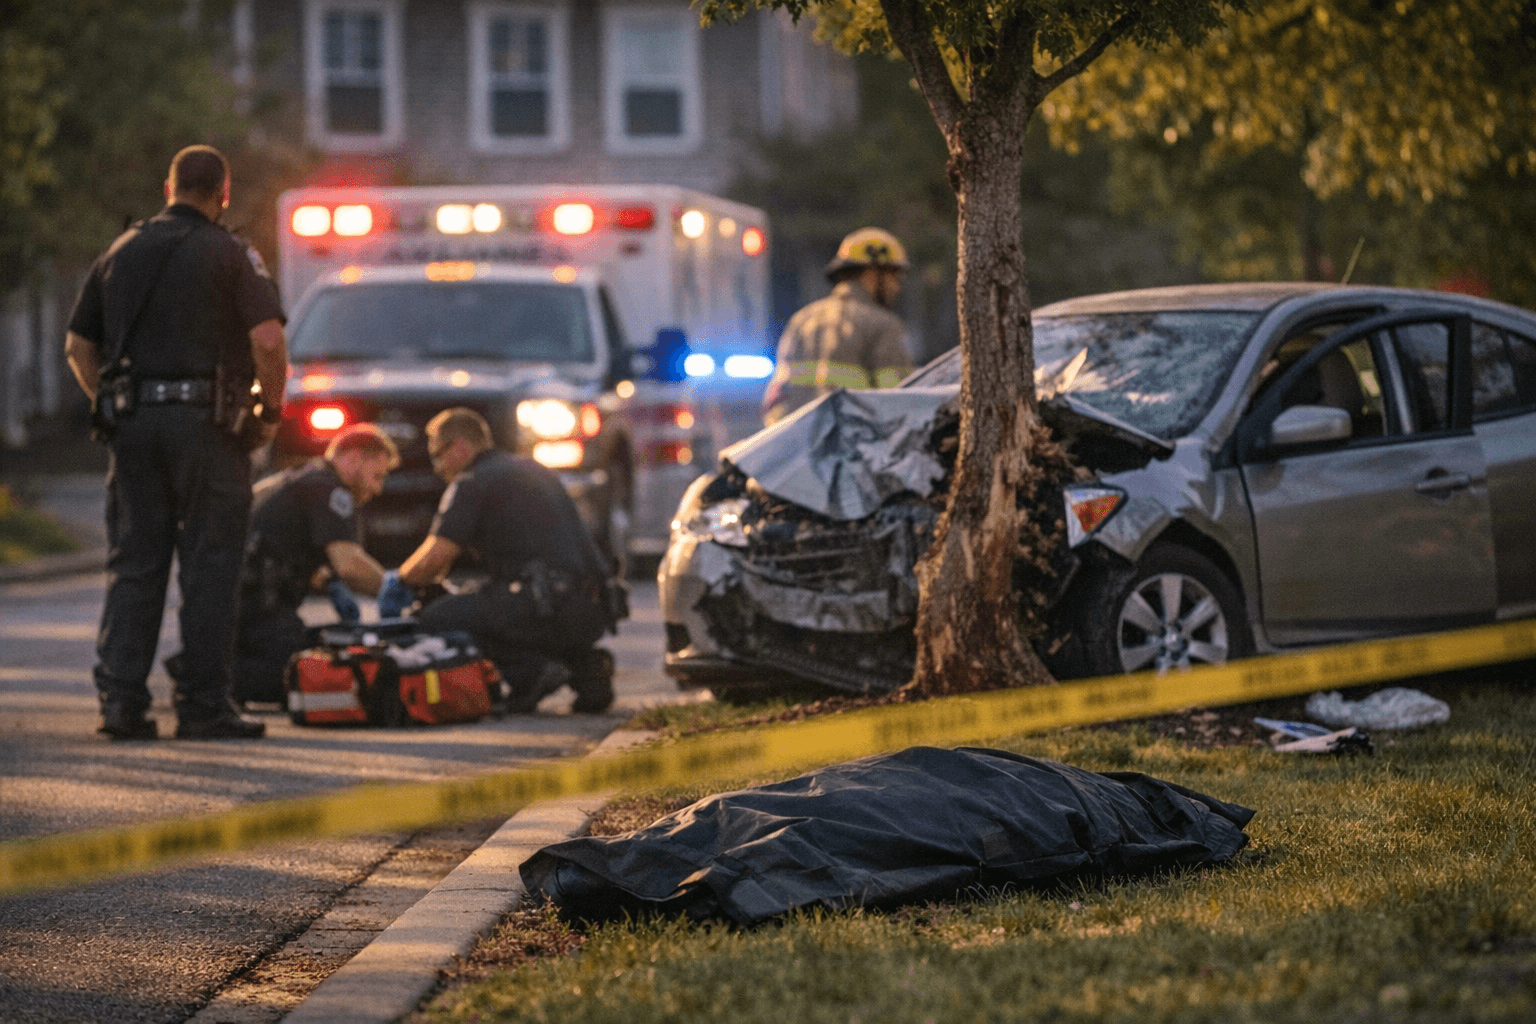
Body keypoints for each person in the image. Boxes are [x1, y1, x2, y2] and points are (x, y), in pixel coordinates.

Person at [64, 144, 287, 741]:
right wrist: (269, 412)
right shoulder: (232, 253)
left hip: (134, 431)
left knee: (135, 565)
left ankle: (121, 704)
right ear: (224, 193)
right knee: (211, 567)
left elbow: (78, 348)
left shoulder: (121, 250)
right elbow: (268, 340)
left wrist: (109, 401)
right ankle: (203, 706)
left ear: (169, 189)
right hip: (211, 432)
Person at [388, 407, 623, 713]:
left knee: (437, 619)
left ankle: (529, 672)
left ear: (460, 447)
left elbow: (433, 560)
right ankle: (587, 668)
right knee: (496, 603)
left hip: (543, 605)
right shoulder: (533, 469)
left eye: (437, 455)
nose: (437, 467)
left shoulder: (472, 479)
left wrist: (398, 582)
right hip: (592, 609)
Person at [231, 424, 399, 705]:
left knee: (331, 647)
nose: (377, 488)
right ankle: (213, 678)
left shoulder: (300, 478)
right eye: (376, 476)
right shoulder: (329, 489)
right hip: (260, 617)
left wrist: (327, 581)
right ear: (354, 458)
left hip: (240, 616)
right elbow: (349, 565)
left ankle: (211, 668)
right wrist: (399, 588)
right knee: (324, 672)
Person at [760, 227, 914, 426]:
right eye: (894, 277)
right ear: (871, 274)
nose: (896, 287)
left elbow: (776, 400)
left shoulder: (801, 320)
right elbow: (901, 403)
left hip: (800, 452)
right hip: (857, 452)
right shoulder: (883, 325)